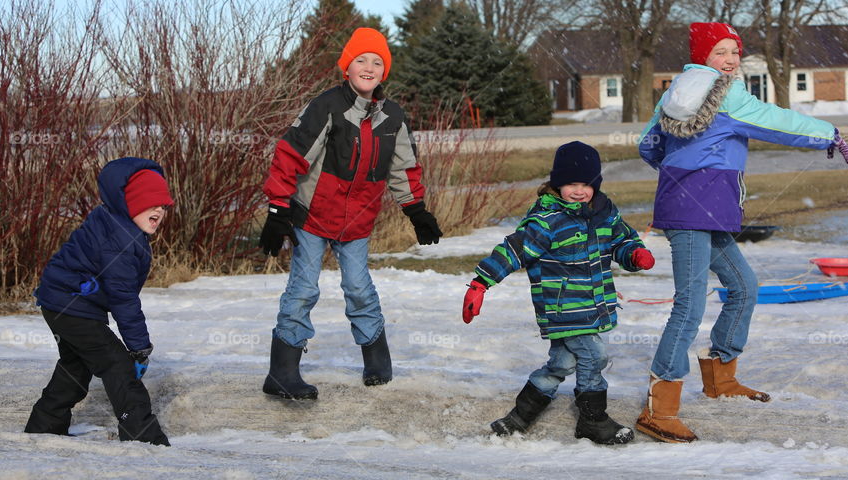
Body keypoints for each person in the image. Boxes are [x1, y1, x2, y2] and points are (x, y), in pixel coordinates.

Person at [635, 22, 848, 443]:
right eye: (722, 52)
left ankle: (721, 376)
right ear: (704, 56)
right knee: (688, 306)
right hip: (694, 215)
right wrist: (828, 133)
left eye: (735, 52)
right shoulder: (726, 92)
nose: (731, 60)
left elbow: (647, 144)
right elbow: (775, 122)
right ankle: (658, 410)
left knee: (742, 286)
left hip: (700, 210)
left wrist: (678, 176)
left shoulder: (675, 90)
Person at [259, 27, 442, 400]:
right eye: (361, 60)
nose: (369, 67)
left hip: (357, 222)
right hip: (311, 216)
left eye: (378, 62)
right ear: (347, 67)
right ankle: (281, 373)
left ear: (384, 71)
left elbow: (403, 168)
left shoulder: (393, 117)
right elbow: (290, 155)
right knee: (303, 288)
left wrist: (416, 210)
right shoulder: (327, 106)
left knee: (359, 288)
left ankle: (377, 360)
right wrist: (278, 209)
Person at [462, 141, 655, 445]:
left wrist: (634, 254)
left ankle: (519, 417)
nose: (579, 191)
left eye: (586, 184)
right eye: (570, 184)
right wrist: (481, 283)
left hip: (594, 305)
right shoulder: (547, 220)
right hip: (562, 306)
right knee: (594, 355)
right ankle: (593, 421)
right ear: (557, 184)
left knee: (562, 364)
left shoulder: (604, 212)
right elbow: (514, 250)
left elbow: (621, 240)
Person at [25, 157, 175, 446]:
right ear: (127, 203)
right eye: (150, 203)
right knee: (118, 366)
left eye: (163, 205)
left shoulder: (116, 222)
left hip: (63, 303)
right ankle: (144, 438)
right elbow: (123, 298)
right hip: (72, 306)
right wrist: (138, 347)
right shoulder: (120, 241)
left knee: (76, 368)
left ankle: (43, 426)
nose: (159, 209)